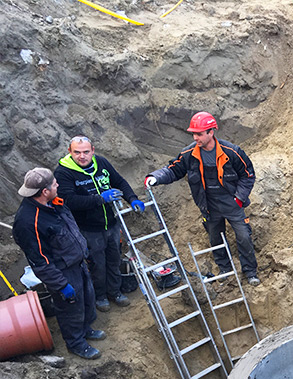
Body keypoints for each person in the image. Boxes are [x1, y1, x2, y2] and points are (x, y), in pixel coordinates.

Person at [145, 111, 260, 285]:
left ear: (211, 132)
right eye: (194, 133)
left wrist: (239, 198)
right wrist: (156, 177)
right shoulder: (189, 154)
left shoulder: (231, 152)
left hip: (232, 202)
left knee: (243, 236)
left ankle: (250, 272)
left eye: (199, 133)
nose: (195, 137)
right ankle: (225, 272)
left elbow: (248, 175)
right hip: (209, 205)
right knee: (215, 239)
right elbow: (173, 170)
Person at [12, 168, 105, 359]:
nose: (58, 185)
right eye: (54, 184)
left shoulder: (53, 204)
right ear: (44, 191)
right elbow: (39, 261)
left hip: (77, 262)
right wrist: (61, 285)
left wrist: (84, 251)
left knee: (87, 298)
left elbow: (70, 229)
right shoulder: (28, 222)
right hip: (62, 271)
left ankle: (86, 329)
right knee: (70, 308)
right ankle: (76, 343)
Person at [54, 135, 145, 312]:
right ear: (69, 152)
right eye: (77, 152)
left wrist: (132, 198)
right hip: (88, 228)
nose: (82, 156)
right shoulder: (64, 172)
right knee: (96, 264)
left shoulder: (101, 163)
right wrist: (99, 199)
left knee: (114, 259)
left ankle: (115, 292)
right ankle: (101, 296)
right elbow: (68, 200)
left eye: (86, 152)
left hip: (110, 224)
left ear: (93, 151)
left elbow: (119, 181)